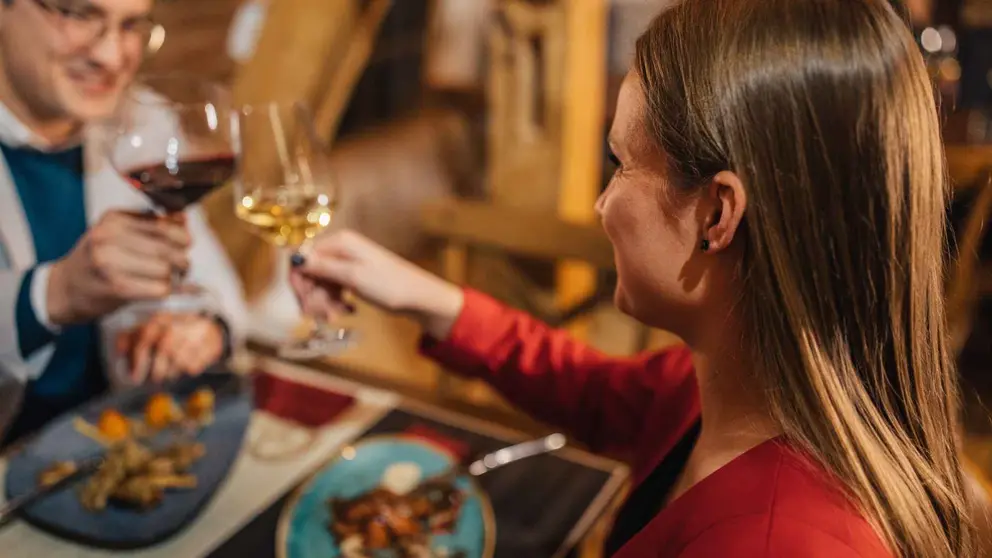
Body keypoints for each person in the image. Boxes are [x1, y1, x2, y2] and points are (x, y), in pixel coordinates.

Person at [289, 0, 975, 556]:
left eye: (619, 163)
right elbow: (593, 391)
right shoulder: (732, 381)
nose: (601, 203)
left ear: (717, 214)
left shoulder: (774, 542)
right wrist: (419, 295)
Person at [0, 0, 246, 445]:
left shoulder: (143, 120)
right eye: (79, 14)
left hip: (113, 442)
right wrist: (52, 295)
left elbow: (213, 285)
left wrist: (205, 329)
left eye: (130, 24)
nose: (111, 57)